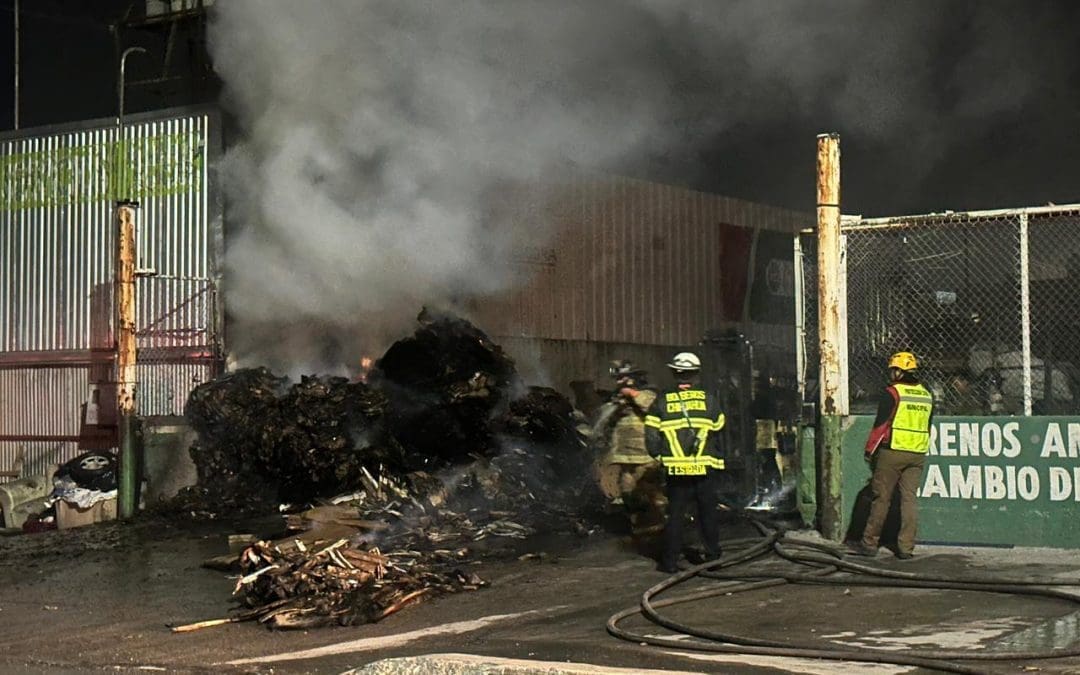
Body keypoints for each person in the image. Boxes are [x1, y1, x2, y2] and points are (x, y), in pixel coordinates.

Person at [645, 351, 726, 573]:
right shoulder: (709, 400)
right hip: (704, 470)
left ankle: (669, 562)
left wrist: (662, 457)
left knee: (676, 515)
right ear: (696, 374)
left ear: (674, 373)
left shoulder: (660, 401)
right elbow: (719, 426)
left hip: (676, 471)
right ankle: (713, 558)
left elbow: (651, 436)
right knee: (707, 514)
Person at [851, 351, 934, 560]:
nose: (891, 374)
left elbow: (881, 425)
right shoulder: (926, 394)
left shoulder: (893, 393)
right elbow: (928, 424)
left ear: (899, 371)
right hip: (917, 453)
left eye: (893, 370)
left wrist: (870, 450)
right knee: (909, 500)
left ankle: (869, 543)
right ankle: (906, 548)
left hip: (893, 451)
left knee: (882, 498)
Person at [595, 361, 664, 538]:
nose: (619, 382)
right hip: (625, 456)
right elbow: (604, 420)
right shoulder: (616, 399)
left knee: (651, 494)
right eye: (617, 379)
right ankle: (637, 527)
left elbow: (653, 407)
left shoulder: (649, 393)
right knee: (628, 493)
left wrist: (633, 395)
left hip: (645, 455)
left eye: (623, 378)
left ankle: (660, 528)